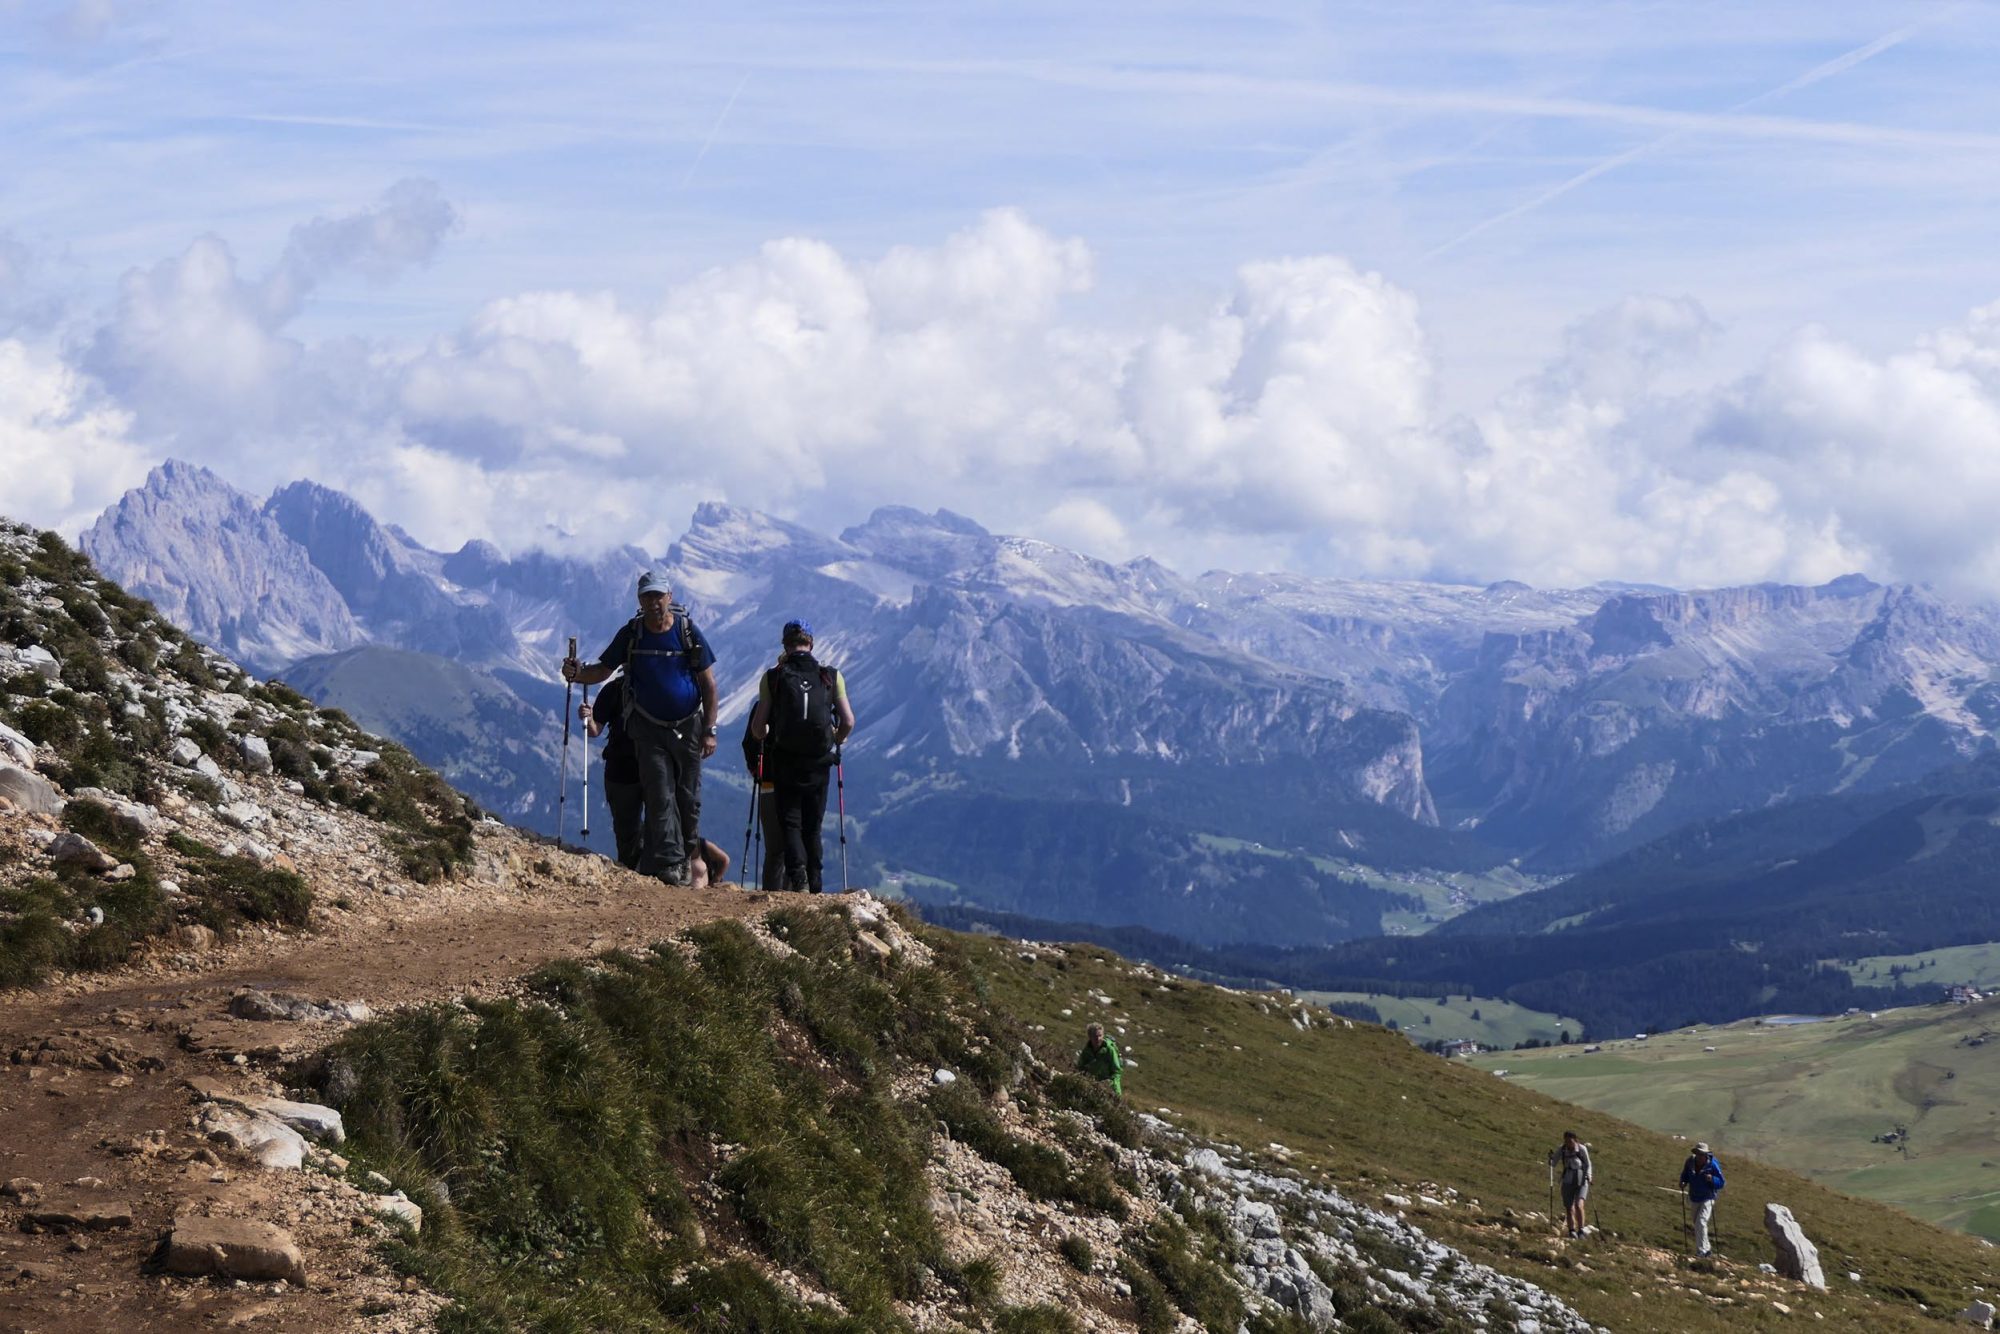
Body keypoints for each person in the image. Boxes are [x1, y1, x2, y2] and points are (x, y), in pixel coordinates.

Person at [564, 572, 719, 886]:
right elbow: (602, 671)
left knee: (687, 799)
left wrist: (709, 729)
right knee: (660, 794)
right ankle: (671, 866)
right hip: (647, 728)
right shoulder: (632, 633)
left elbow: (709, 685)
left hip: (688, 726)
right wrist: (577, 674)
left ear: (669, 597)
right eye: (647, 596)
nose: (653, 602)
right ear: (639, 600)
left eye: (658, 596)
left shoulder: (687, 631)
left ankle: (687, 856)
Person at [582, 679, 734, 887]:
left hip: (622, 770)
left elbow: (594, 730)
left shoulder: (615, 689)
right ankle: (653, 879)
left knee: (628, 833)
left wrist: (589, 719)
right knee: (658, 826)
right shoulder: (665, 689)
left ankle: (635, 877)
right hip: (658, 772)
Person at [747, 620, 854, 893]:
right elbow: (848, 721)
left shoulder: (773, 677)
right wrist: (835, 739)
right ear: (812, 643)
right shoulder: (831, 675)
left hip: (786, 762)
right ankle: (816, 882)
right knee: (813, 827)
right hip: (819, 763)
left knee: (791, 822)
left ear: (785, 645)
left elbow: (758, 728)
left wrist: (766, 733)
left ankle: (799, 879)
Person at [1680, 1142, 1726, 1258]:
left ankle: (1701, 1251)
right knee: (1697, 1223)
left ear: (1706, 1154)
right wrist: (1683, 1182)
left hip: (1708, 1197)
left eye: (1702, 1154)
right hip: (1694, 1196)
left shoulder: (1712, 1164)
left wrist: (1712, 1179)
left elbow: (1721, 1183)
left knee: (1701, 1221)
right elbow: (1685, 1174)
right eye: (1698, 1154)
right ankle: (1707, 1249)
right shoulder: (1690, 1162)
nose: (1700, 1156)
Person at [1549, 1130, 1591, 1238]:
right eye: (1566, 1141)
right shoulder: (1562, 1149)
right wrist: (1551, 1159)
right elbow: (1553, 1162)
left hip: (1581, 1179)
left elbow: (1588, 1164)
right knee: (1568, 1206)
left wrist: (1589, 1176)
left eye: (1570, 1141)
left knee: (1579, 1205)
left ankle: (1581, 1229)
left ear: (1575, 1140)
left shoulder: (1582, 1149)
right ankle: (1572, 1230)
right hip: (1567, 1179)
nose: (1568, 1144)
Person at [1076, 1022, 1124, 1096]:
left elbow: (1116, 1071)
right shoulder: (1086, 1051)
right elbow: (1080, 1068)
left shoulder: (1109, 1050)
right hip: (1093, 1086)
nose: (1098, 1039)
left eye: (1100, 1036)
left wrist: (1113, 1087)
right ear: (1090, 1037)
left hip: (1109, 1087)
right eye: (1095, 1036)